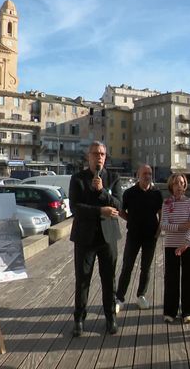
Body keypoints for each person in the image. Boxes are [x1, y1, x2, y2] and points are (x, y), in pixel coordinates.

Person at [69, 141, 122, 337]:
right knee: (82, 280)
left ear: (105, 157)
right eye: (95, 154)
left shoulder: (114, 178)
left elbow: (118, 205)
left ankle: (110, 318)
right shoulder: (78, 179)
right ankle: (79, 319)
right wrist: (100, 210)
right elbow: (75, 208)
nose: (98, 157)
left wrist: (102, 192)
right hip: (85, 237)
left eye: (102, 154)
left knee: (109, 280)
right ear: (88, 157)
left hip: (107, 237)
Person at [115, 164, 163, 312]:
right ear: (138, 175)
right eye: (144, 174)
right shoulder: (129, 193)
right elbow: (121, 211)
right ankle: (120, 298)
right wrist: (131, 220)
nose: (147, 176)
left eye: (149, 173)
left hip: (151, 235)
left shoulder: (157, 193)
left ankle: (141, 295)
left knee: (146, 268)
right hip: (134, 234)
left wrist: (159, 229)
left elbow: (161, 213)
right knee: (127, 266)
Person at [160, 173, 190, 324]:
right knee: (171, 279)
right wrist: (183, 225)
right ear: (171, 186)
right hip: (170, 244)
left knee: (189, 279)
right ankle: (170, 311)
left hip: (188, 245)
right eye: (176, 183)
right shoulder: (166, 203)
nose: (179, 186)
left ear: (185, 185)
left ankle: (188, 312)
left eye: (182, 183)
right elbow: (164, 225)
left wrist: (185, 244)